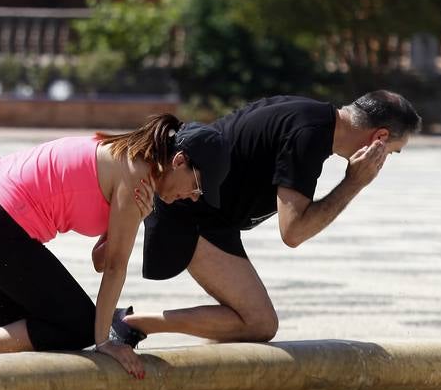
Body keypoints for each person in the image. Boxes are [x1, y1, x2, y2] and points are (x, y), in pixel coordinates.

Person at [0, 115, 230, 379]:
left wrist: (141, 215)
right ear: (179, 162)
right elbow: (114, 268)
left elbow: (101, 259)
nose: (192, 198)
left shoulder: (132, 162)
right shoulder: (136, 175)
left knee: (25, 335)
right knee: (79, 327)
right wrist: (104, 343)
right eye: (197, 188)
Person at [114, 91, 421, 347]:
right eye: (391, 153)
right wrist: (354, 182)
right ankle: (129, 323)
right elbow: (293, 232)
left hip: (211, 216)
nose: (384, 162)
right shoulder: (309, 136)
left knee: (243, 326)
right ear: (379, 138)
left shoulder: (312, 117)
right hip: (188, 208)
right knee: (259, 322)